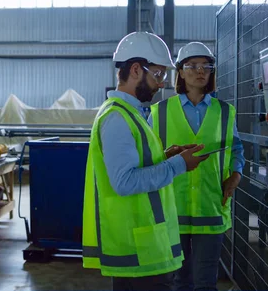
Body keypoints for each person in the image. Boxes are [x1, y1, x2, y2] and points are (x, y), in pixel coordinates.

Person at [82, 32, 210, 291]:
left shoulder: (132, 114)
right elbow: (125, 182)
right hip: (138, 251)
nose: (161, 83)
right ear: (136, 70)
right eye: (158, 74)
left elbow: (137, 164)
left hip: (145, 247)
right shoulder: (117, 118)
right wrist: (178, 165)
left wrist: (167, 156)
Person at [148, 42, 246, 291]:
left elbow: (236, 149)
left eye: (206, 66)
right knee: (179, 281)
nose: (200, 71)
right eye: (192, 66)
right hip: (172, 207)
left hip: (210, 205)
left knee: (206, 281)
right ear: (180, 72)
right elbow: (148, 157)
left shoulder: (225, 112)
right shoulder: (159, 112)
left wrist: (235, 176)